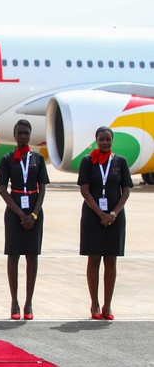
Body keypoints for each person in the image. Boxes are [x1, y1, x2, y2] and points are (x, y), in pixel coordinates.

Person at [0, 119, 49, 320]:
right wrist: (20, 214)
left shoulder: (38, 159)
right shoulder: (7, 159)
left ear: (30, 134)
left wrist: (34, 214)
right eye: (20, 133)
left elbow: (42, 187)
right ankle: (14, 302)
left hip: (34, 211)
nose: (23, 137)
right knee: (13, 256)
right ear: (15, 134)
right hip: (14, 211)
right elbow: (2, 190)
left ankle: (29, 302)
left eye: (27, 133)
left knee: (32, 257)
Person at [78, 126, 132, 320]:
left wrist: (113, 213)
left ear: (112, 141)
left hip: (114, 217)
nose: (105, 142)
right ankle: (94, 304)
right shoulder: (87, 161)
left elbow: (125, 190)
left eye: (108, 139)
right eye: (101, 139)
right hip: (93, 216)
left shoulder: (120, 162)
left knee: (111, 260)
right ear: (96, 140)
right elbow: (84, 190)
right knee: (93, 259)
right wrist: (100, 213)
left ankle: (108, 305)